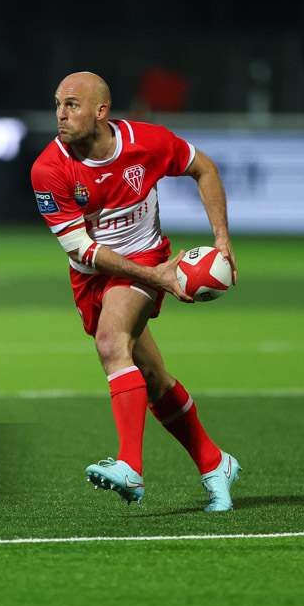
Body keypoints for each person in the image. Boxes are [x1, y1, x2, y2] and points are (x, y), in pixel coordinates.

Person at [30, 71, 241, 511]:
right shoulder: (48, 169)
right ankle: (214, 462)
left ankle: (130, 465)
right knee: (154, 379)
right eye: (58, 104)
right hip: (91, 275)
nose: (60, 115)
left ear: (101, 111)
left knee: (111, 343)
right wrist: (157, 279)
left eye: (72, 105)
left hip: (146, 259)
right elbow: (83, 250)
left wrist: (220, 238)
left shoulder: (147, 142)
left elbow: (204, 168)